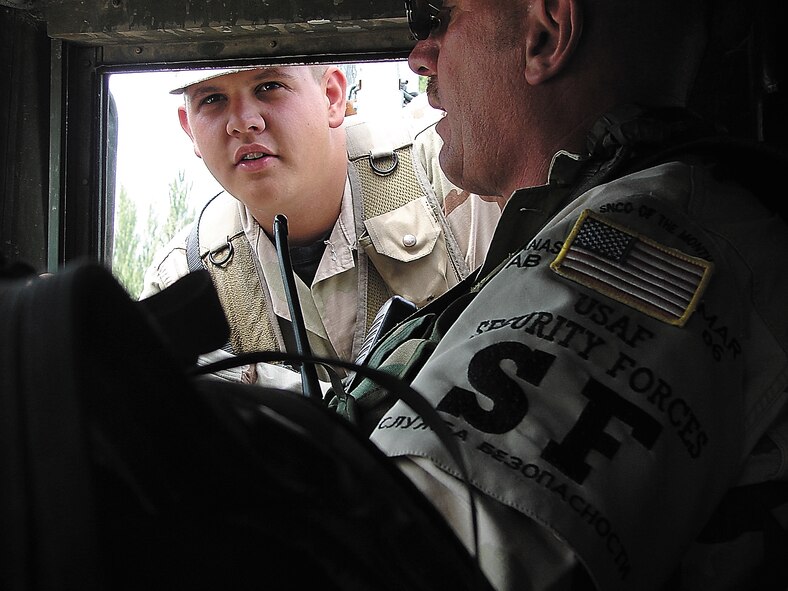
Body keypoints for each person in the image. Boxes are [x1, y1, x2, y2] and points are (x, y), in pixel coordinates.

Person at [345, 1, 788, 589]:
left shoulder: (646, 239)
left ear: (547, 34)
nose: (418, 56)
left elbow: (398, 558)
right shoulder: (674, 216)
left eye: (435, 15)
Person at [141, 64, 501, 390]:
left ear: (331, 96)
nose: (243, 122)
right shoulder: (184, 279)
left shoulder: (451, 173)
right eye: (213, 99)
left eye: (269, 86)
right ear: (189, 128)